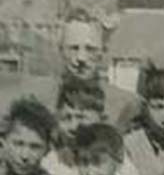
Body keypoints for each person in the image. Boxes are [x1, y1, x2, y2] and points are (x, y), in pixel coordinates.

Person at [0, 8, 138, 132]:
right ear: (61, 51)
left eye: (90, 49)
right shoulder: (35, 102)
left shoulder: (125, 105)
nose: (81, 58)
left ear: (103, 52)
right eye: (73, 48)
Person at [43, 78, 148, 175]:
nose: (73, 126)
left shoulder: (114, 157)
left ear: (99, 119)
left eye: (81, 118)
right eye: (66, 118)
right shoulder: (51, 163)